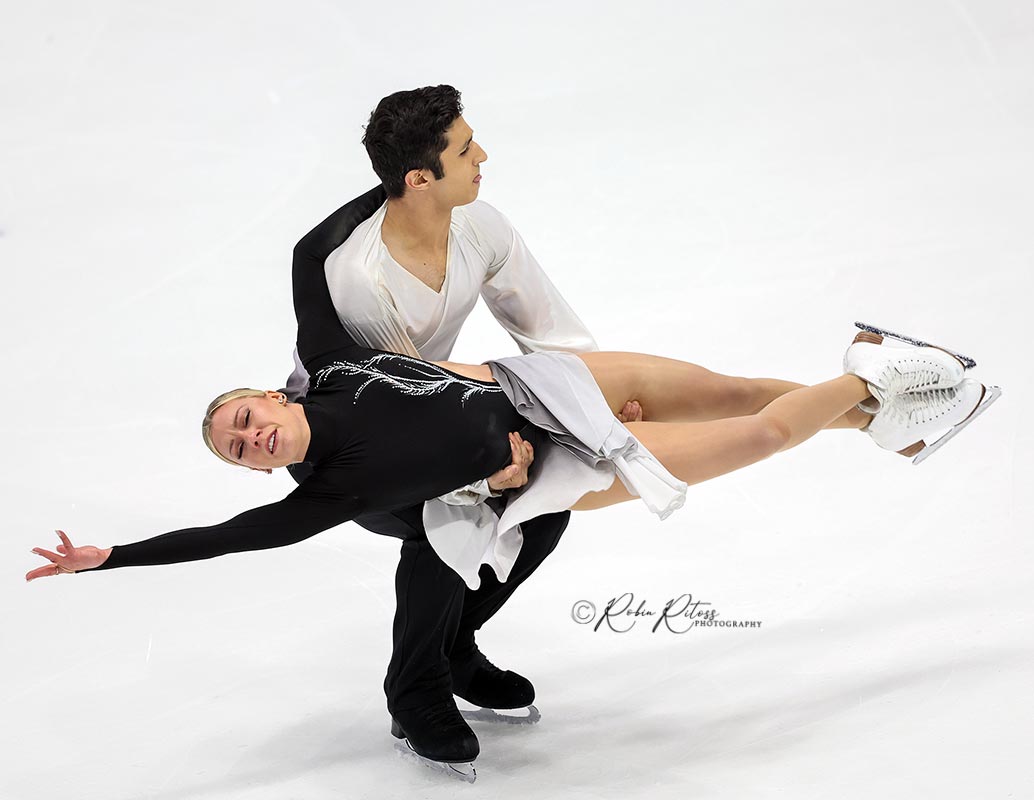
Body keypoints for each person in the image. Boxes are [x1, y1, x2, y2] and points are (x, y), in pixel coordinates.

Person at [27, 173, 993, 777]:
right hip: (557, 465)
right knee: (763, 435)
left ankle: (890, 417)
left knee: (724, 388)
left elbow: (306, 253)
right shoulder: (331, 493)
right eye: (238, 451)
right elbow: (222, 541)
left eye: (245, 420)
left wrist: (395, 180)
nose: (252, 440)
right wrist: (109, 557)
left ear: (265, 395)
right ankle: (877, 374)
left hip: (540, 385)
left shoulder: (329, 360)